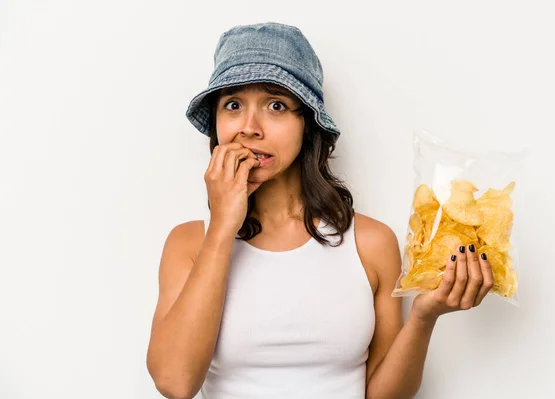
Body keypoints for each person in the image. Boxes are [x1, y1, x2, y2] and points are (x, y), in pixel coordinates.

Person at [146, 22, 495, 399]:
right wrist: (222, 225)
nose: (249, 127)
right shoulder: (188, 243)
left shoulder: (370, 243)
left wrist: (425, 316)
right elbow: (175, 383)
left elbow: (384, 395)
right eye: (232, 105)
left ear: (308, 124)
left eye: (276, 105)